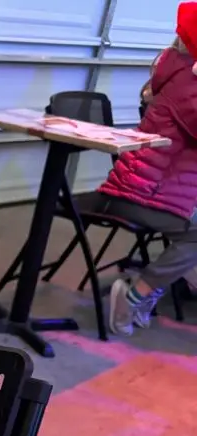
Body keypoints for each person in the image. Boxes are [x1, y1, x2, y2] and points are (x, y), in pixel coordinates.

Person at [94, 2, 197, 336]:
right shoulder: (188, 82)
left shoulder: (177, 68)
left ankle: (163, 287)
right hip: (145, 191)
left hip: (158, 187)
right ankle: (137, 293)